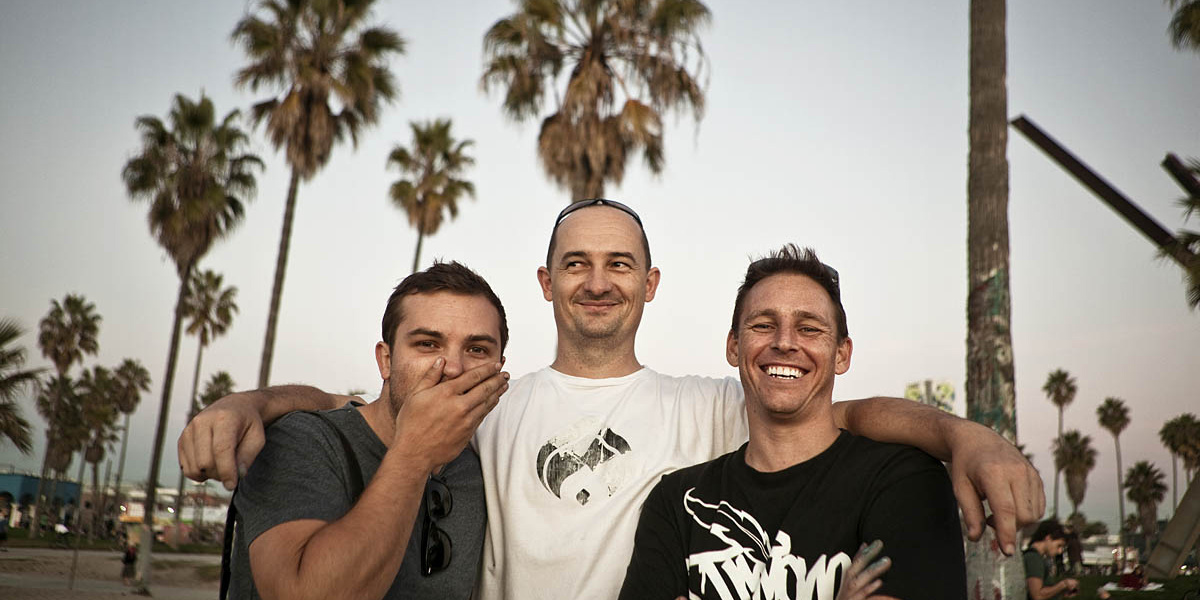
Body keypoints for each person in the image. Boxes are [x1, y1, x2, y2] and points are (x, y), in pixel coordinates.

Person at [179, 199, 1044, 599]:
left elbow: (839, 414)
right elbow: (372, 406)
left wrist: (963, 437)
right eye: (578, 264)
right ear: (547, 282)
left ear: (650, 283)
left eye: (619, 263)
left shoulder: (707, 402)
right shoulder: (483, 400)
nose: (598, 281)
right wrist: (257, 401)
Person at [619, 245, 966, 599]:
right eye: (763, 325)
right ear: (734, 347)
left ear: (842, 354)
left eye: (809, 329)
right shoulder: (678, 501)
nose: (785, 342)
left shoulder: (903, 480)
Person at [228, 262, 510, 599]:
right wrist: (415, 453)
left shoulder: (484, 464)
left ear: (499, 369)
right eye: (427, 344)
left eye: (477, 350)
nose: (452, 368)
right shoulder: (303, 441)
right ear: (386, 360)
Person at [1023, 520, 1079, 600]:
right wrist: (1063, 584)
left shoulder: (1036, 557)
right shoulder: (1033, 558)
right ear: (1048, 538)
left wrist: (1059, 592)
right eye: (1059, 545)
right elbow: (1037, 595)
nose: (1060, 551)